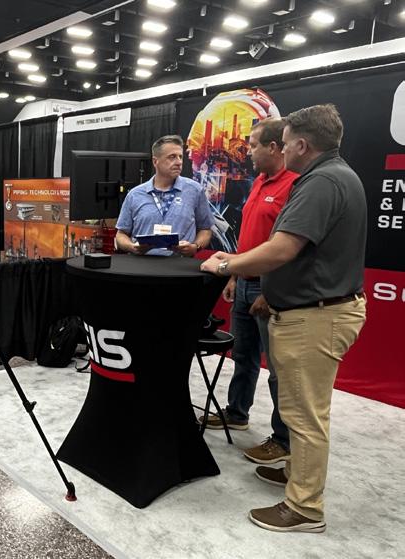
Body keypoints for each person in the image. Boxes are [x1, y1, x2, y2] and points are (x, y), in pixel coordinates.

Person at [201, 104, 367, 533]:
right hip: (313, 310)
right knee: (298, 407)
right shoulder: (331, 176)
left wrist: (225, 265)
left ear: (301, 145)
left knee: (305, 414)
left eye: (287, 141)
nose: (280, 148)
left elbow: (282, 248)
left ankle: (304, 508)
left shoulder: (322, 182)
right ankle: (297, 473)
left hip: (315, 316)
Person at [200, 118, 298, 466]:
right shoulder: (259, 181)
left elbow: (289, 249)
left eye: (253, 145)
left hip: (269, 287)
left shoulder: (294, 185)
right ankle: (237, 412)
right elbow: (250, 237)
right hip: (243, 281)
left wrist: (271, 291)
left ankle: (283, 439)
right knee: (243, 355)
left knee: (279, 368)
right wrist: (234, 276)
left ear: (273, 147)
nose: (248, 152)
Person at [115, 135, 214, 256]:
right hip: (142, 263)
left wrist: (195, 246)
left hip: (180, 264)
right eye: (172, 157)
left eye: (180, 157)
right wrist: (132, 247)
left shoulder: (195, 190)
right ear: (155, 161)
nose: (179, 162)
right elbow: (121, 234)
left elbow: (205, 230)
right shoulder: (135, 195)